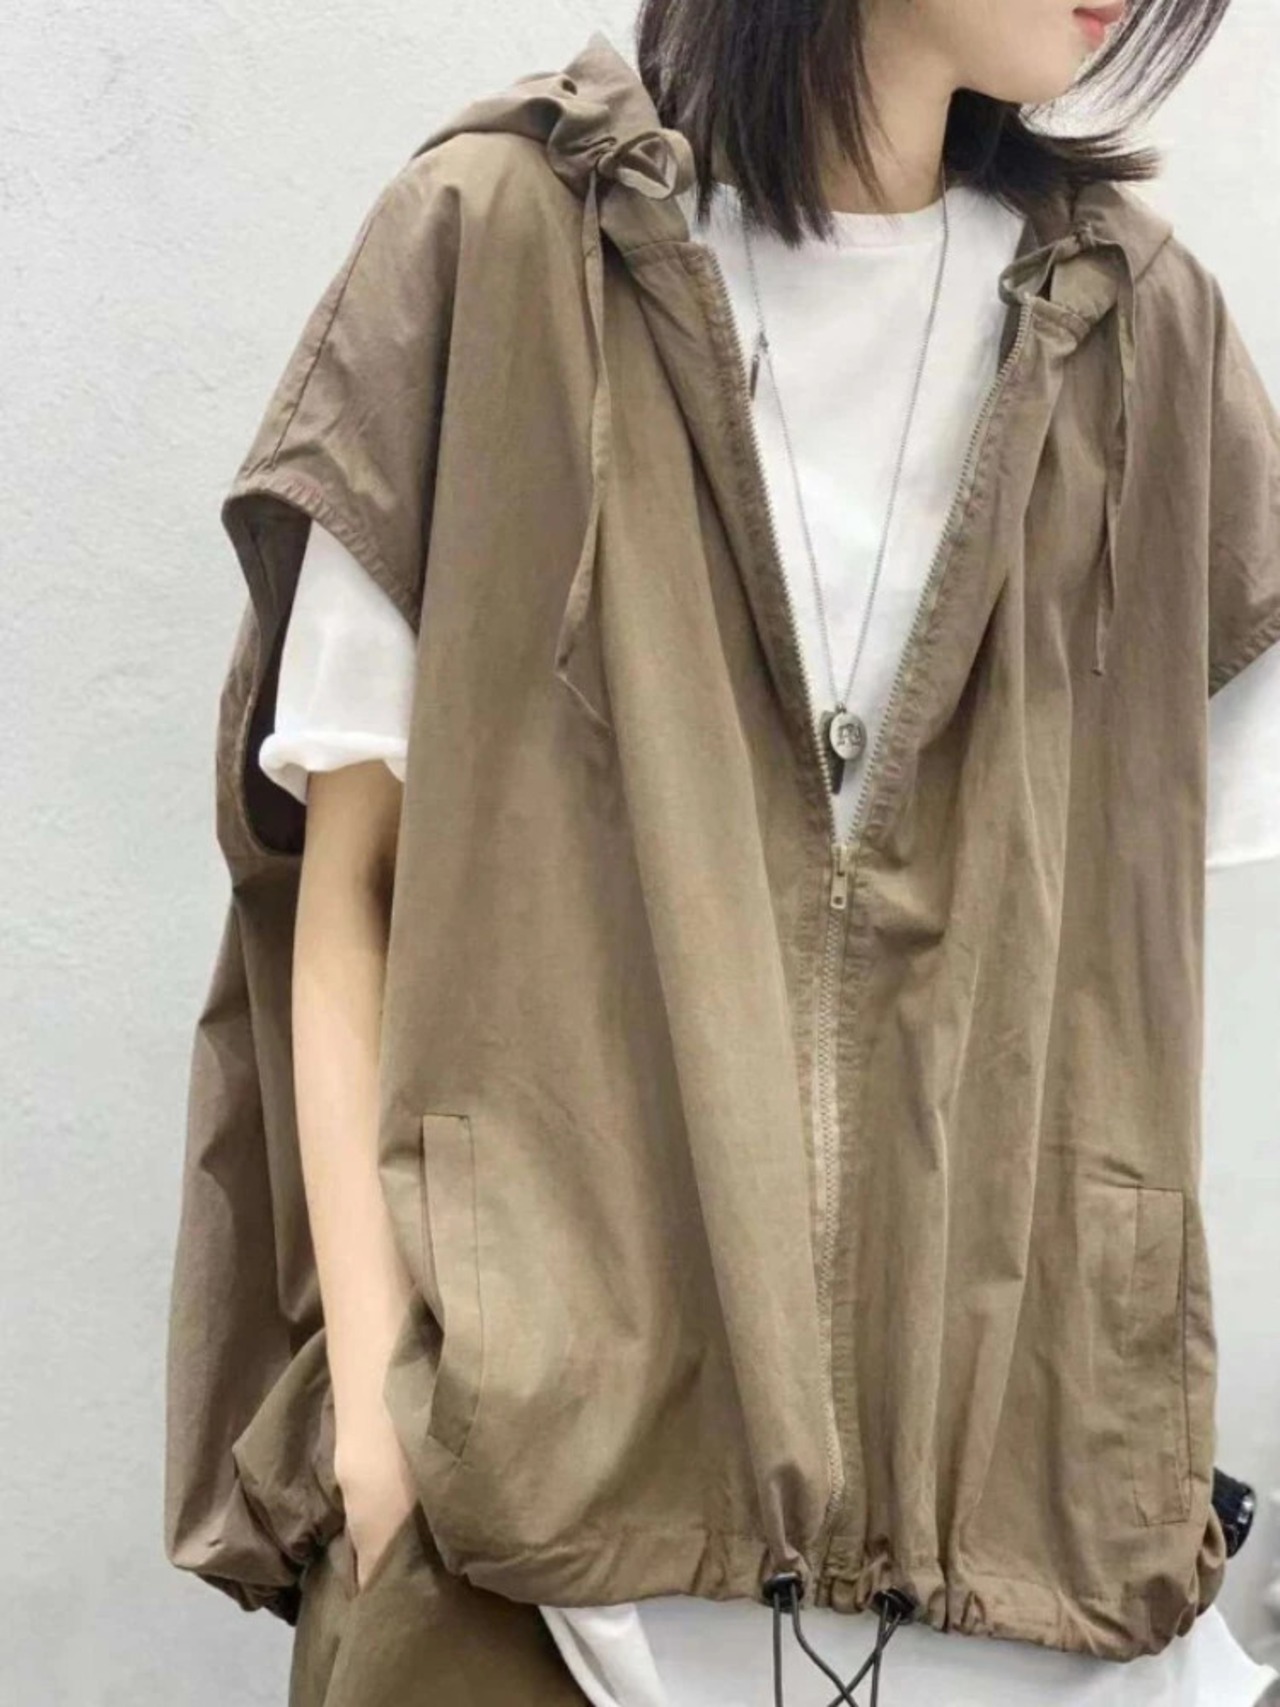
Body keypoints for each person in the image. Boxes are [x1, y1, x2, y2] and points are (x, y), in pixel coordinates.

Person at [164, 8, 1280, 1707]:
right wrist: (385, 1443)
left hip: (1026, 1570)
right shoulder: (501, 247)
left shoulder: (1144, 338)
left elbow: (1129, 938)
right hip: (536, 1562)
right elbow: (346, 895)